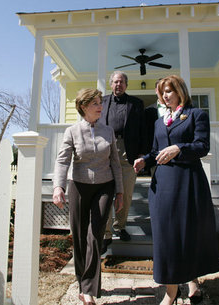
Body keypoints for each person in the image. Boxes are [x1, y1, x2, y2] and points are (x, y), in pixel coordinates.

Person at [133, 75, 219, 305]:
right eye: (162, 92)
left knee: (188, 234)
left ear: (180, 91)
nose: (165, 95)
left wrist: (178, 148)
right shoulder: (159, 123)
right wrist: (145, 160)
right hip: (162, 185)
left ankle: (193, 282)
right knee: (167, 237)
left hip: (188, 183)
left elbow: (202, 146)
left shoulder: (197, 115)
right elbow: (156, 151)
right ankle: (171, 292)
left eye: (169, 90)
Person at [52, 88, 124, 305]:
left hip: (105, 186)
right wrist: (58, 187)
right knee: (80, 236)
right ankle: (83, 285)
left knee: (95, 234)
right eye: (94, 103)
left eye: (100, 102)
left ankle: (89, 289)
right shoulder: (72, 131)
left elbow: (115, 163)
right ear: (83, 106)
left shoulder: (108, 131)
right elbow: (63, 160)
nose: (100, 106)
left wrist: (119, 191)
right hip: (79, 187)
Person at [100, 70, 145, 252]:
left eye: (122, 82)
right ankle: (106, 234)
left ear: (126, 85)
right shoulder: (101, 102)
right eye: (115, 82)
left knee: (125, 194)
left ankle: (121, 226)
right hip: (105, 153)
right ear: (111, 84)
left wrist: (142, 154)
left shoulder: (136, 104)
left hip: (128, 152)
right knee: (105, 195)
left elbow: (142, 131)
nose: (118, 85)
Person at [144, 78, 168, 154]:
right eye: (159, 89)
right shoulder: (147, 111)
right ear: (156, 90)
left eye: (164, 89)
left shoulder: (177, 109)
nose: (162, 92)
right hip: (154, 153)